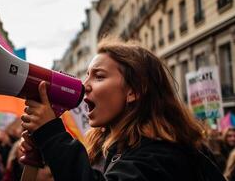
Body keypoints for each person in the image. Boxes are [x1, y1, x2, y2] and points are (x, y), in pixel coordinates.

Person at [20, 37, 226, 181]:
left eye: (99, 76)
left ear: (133, 91)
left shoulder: (161, 156)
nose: (85, 85)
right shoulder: (116, 150)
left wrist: (52, 136)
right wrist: (45, 155)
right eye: (87, 75)